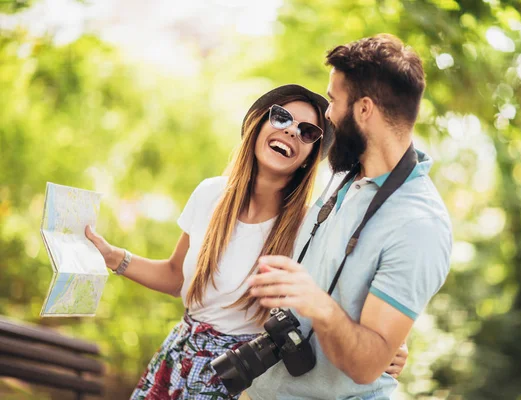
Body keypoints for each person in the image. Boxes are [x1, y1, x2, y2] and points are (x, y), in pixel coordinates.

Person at [85, 84, 408, 399]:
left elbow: (344, 292)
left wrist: (385, 344)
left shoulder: (310, 226)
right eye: (282, 117)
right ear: (258, 125)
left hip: (245, 377)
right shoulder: (210, 193)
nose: (293, 131)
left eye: (308, 132)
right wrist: (113, 257)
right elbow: (176, 276)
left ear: (310, 156)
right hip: (180, 356)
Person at [245, 34, 452, 399]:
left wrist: (324, 309)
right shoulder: (344, 175)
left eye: (332, 100)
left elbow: (368, 364)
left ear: (364, 109)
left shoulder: (420, 224)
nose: (327, 113)